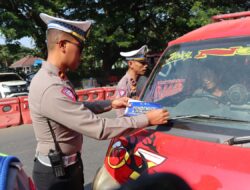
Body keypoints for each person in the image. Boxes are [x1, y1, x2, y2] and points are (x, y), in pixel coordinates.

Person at [28, 13, 169, 190]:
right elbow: (99, 129)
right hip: (56, 174)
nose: (83, 55)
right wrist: (147, 119)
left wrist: (111, 103)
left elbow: (75, 108)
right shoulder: (49, 86)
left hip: (68, 166)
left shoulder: (58, 78)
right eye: (80, 47)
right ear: (63, 45)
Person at [115, 45, 149, 116]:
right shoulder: (124, 84)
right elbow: (121, 113)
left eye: (146, 63)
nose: (146, 65)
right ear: (130, 64)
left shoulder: (142, 80)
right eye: (142, 63)